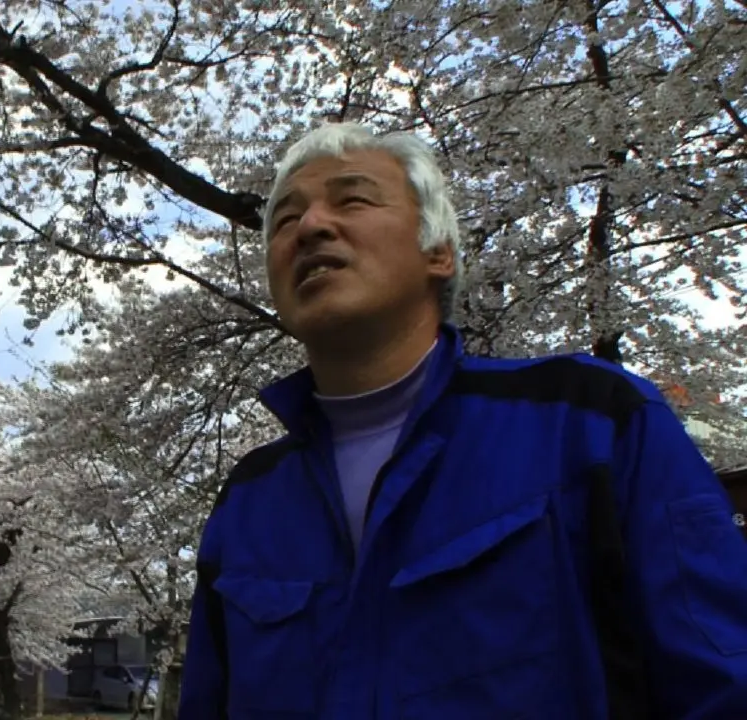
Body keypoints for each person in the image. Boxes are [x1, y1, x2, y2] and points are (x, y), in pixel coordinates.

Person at [177, 122, 747, 718]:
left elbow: (722, 686)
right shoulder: (249, 500)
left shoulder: (589, 422)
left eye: (353, 199)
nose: (312, 226)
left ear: (438, 252)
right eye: (285, 220)